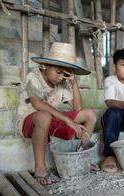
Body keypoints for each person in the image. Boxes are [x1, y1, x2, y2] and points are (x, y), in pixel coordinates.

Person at [17, 42, 96, 185]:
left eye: (65, 74)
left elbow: (78, 108)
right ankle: (40, 168)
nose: (61, 77)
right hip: (31, 122)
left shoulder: (64, 82)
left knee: (89, 114)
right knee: (44, 115)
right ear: (46, 66)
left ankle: (82, 159)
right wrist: (67, 120)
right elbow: (38, 104)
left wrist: (73, 83)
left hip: (51, 120)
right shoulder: (33, 77)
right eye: (58, 72)